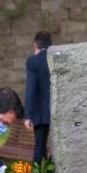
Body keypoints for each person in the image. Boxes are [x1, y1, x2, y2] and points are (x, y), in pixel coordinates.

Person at [23, 31, 52, 163]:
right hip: (58, 109)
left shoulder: (33, 61)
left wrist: (28, 115)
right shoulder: (56, 58)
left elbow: (31, 89)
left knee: (39, 147)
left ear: (36, 45)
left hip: (41, 112)